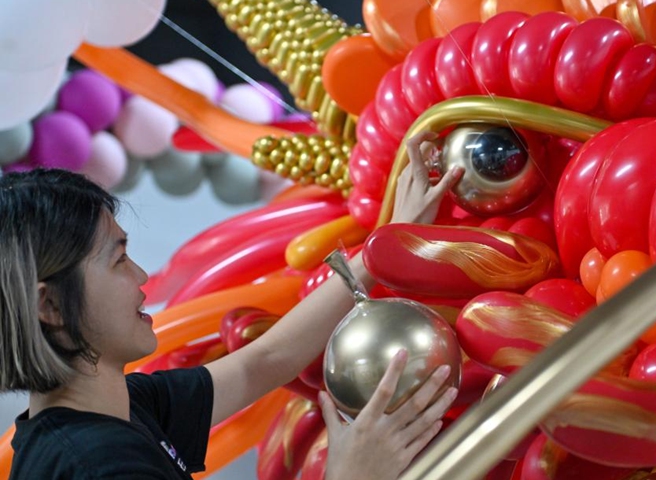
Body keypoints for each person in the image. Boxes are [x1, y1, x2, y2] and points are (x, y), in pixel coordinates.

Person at [0, 131, 464, 480]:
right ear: (51, 306)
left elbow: (265, 361)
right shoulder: (98, 465)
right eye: (118, 260)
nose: (141, 277)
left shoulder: (118, 410)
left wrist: (386, 246)